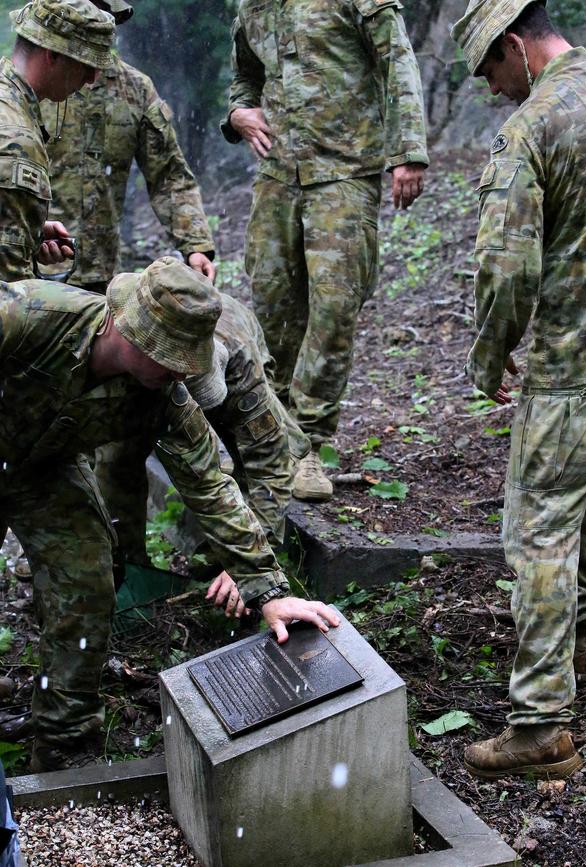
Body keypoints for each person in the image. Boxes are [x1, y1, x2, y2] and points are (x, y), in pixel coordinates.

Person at [0, 257, 339, 772]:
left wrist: (267, 590)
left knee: (87, 581)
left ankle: (65, 741)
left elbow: (210, 485)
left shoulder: (166, 397)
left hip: (43, 467)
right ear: (134, 333)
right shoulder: (27, 315)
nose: (184, 370)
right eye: (175, 357)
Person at [451, 0, 586, 780]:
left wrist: (490, 354)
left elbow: (506, 268)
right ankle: (585, 644)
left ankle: (538, 725)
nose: (495, 89)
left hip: (580, 355)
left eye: (492, 71)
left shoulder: (531, 129)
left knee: (540, 524)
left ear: (514, 47)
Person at [222, 0, 429, 501]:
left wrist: (408, 152)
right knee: (272, 306)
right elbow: (244, 78)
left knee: (335, 308)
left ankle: (309, 443)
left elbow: (397, 61)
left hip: (344, 171)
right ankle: (269, 437)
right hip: (277, 176)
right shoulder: (252, 5)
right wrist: (238, 115)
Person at [94, 290, 311, 558]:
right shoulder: (130, 345)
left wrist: (253, 557)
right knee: (118, 457)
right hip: (149, 378)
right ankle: (127, 563)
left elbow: (269, 465)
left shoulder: (243, 376)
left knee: (258, 451)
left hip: (237, 340)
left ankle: (237, 550)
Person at [40, 0, 215, 293]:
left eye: (101, 14)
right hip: (24, 270)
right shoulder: (30, 82)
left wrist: (195, 245)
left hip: (101, 272)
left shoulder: (134, 89)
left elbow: (169, 177)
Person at [0, 0, 115, 281]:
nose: (91, 79)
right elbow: (9, 294)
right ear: (52, 54)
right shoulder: (16, 139)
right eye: (86, 64)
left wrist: (28, 233)